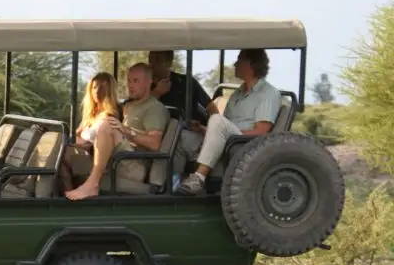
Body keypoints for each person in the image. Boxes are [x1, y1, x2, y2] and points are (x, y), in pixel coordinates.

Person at [175, 49, 281, 196]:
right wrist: (204, 129)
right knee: (182, 135)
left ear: (251, 64)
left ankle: (198, 178)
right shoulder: (237, 94)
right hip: (229, 139)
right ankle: (174, 182)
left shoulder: (269, 93)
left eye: (239, 60)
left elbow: (262, 132)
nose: (235, 64)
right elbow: (223, 128)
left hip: (244, 145)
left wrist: (222, 132)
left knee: (216, 119)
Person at [63, 65, 168, 200]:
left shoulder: (154, 108)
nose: (130, 85)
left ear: (149, 82)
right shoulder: (127, 105)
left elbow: (154, 144)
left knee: (108, 125)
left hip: (132, 164)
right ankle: (49, 193)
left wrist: (126, 130)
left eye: (136, 81)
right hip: (113, 159)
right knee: (60, 146)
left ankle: (92, 185)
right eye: (129, 81)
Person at [148, 50, 212, 125]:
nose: (152, 64)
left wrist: (206, 129)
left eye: (158, 60)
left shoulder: (186, 82)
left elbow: (211, 107)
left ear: (169, 63)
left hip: (189, 131)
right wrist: (156, 93)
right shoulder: (143, 84)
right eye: (150, 59)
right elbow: (135, 109)